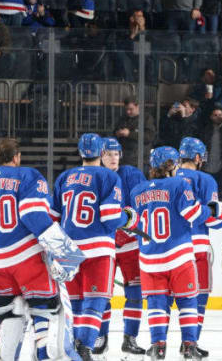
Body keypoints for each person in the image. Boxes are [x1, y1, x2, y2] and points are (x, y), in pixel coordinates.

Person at [0, 138, 82, 361]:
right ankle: (43, 352)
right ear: (17, 157)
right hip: (25, 257)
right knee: (42, 306)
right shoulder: (28, 176)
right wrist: (62, 247)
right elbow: (33, 214)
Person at [50, 133, 131, 358]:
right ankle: (84, 346)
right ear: (102, 154)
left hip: (67, 248)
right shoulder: (108, 177)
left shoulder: (64, 177)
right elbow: (110, 218)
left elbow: (52, 217)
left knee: (75, 303)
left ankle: (74, 346)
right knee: (95, 300)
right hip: (97, 247)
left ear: (80, 153)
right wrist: (129, 218)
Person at [129, 146, 212, 360]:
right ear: (173, 164)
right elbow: (192, 213)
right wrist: (213, 210)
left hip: (149, 258)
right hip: (179, 255)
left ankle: (158, 346)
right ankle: (189, 346)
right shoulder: (179, 184)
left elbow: (134, 222)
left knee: (156, 304)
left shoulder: (137, 190)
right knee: (187, 301)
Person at [176, 137, 222, 356]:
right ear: (197, 157)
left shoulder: (169, 177)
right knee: (198, 297)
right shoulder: (204, 179)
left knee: (165, 300)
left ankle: (159, 344)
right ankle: (190, 343)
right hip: (196, 247)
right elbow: (211, 218)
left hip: (167, 248)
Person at [95, 138, 147, 358]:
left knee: (135, 293)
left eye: (116, 154)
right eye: (108, 154)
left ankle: (130, 338)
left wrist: (133, 224)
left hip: (131, 245)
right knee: (102, 294)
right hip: (105, 245)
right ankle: (101, 336)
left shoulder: (132, 174)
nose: (113, 158)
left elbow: (144, 204)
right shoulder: (94, 177)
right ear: (100, 156)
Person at [113, 96, 157, 168]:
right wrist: (117, 133)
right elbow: (114, 132)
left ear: (138, 106)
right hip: (123, 159)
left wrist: (129, 134)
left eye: (131, 109)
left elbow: (149, 136)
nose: (128, 112)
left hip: (140, 161)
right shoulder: (123, 118)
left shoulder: (147, 118)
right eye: (126, 109)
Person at [116, 9, 147, 82]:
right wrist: (132, 36)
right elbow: (121, 47)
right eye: (138, 16)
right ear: (132, 18)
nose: (141, 19)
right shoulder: (122, 31)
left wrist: (142, 29)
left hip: (141, 56)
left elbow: (147, 47)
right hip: (128, 56)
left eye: (142, 16)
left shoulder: (146, 31)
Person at [200, 106, 222, 186]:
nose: (218, 117)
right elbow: (204, 148)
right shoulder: (206, 130)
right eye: (215, 115)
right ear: (211, 117)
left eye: (220, 114)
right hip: (208, 167)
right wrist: (203, 163)